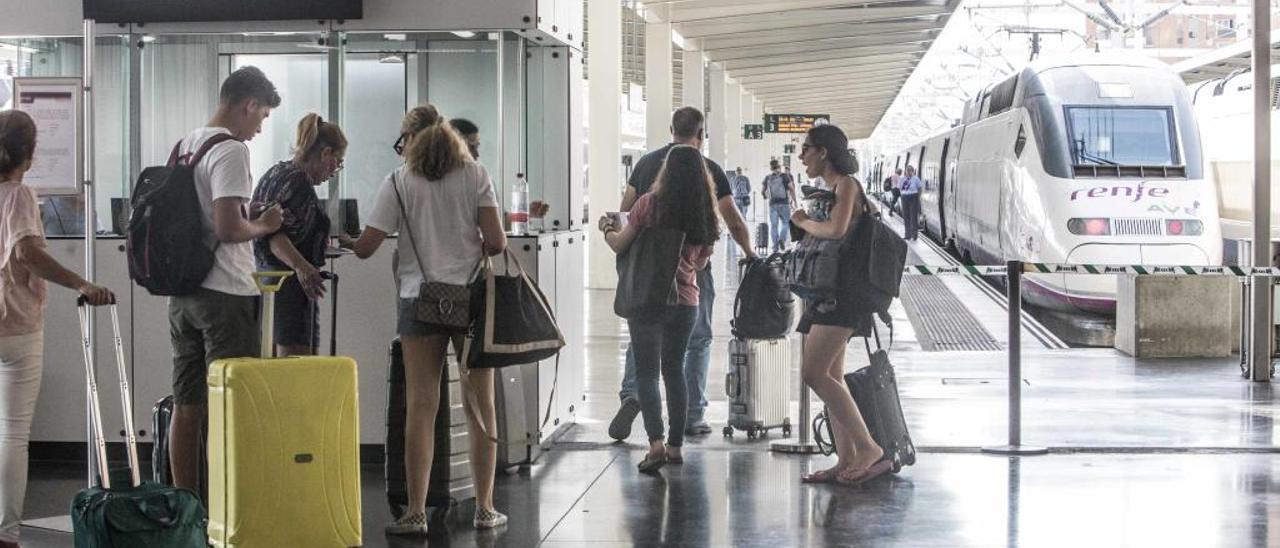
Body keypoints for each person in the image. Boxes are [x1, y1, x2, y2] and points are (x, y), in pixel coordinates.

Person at [346, 104, 508, 534]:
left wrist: (345, 239)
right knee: (480, 404)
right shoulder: (476, 175)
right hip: (469, 299)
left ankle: (415, 512)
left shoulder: (398, 182)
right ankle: (486, 508)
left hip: (418, 300)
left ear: (410, 140)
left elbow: (366, 246)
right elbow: (496, 242)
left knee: (421, 406)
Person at [0, 109, 114, 548]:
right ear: (29, 153)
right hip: (17, 323)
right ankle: (7, 532)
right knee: (12, 432)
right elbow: (28, 251)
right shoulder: (19, 195)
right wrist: (81, 282)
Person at [167, 66, 284, 492]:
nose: (259, 127)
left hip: (183, 293)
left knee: (187, 403)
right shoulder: (231, 150)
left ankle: (188, 503)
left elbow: (205, 216)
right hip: (225, 294)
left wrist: (243, 217)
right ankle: (227, 501)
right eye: (262, 117)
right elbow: (228, 230)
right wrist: (265, 224)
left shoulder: (185, 145)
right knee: (229, 403)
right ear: (248, 104)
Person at [608, 106, 754, 441]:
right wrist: (749, 253)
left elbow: (624, 212)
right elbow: (731, 220)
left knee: (644, 344)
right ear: (701, 135)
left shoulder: (646, 164)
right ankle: (692, 416)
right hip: (690, 273)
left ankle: (633, 395)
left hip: (647, 273)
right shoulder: (709, 168)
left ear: (671, 128)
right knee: (696, 340)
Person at [599, 145, 719, 473]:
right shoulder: (706, 213)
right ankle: (676, 448)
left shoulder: (648, 205)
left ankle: (655, 444)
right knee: (675, 371)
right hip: (686, 301)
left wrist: (606, 228)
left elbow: (620, 245)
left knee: (647, 374)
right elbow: (701, 261)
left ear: (666, 171)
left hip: (648, 298)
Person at [790, 124, 889, 486]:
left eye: (806, 149)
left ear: (824, 152)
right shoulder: (831, 188)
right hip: (830, 292)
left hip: (845, 296)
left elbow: (836, 230)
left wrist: (803, 221)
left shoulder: (846, 185)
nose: (801, 156)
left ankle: (868, 448)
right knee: (830, 375)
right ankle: (844, 457)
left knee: (813, 373)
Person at [251, 113, 347, 356]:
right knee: (296, 366)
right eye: (337, 162)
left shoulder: (276, 172)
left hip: (266, 281)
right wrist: (303, 266)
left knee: (270, 360)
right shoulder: (298, 184)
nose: (333, 171)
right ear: (326, 154)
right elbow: (275, 235)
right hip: (290, 287)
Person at [761, 159, 796, 252]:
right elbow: (791, 188)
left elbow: (762, 191)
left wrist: (765, 196)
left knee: (774, 226)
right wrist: (794, 201)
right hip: (784, 203)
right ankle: (782, 239)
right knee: (786, 223)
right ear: (779, 167)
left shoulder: (767, 178)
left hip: (772, 204)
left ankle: (775, 247)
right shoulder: (785, 176)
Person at [900, 165, 922, 241]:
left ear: (913, 171)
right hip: (904, 197)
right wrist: (903, 195)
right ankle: (907, 234)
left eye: (910, 170)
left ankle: (914, 235)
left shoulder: (916, 179)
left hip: (913, 197)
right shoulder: (902, 179)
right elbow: (900, 188)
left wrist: (917, 197)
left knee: (913, 217)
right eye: (907, 170)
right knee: (906, 217)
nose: (909, 172)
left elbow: (919, 188)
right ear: (905, 171)